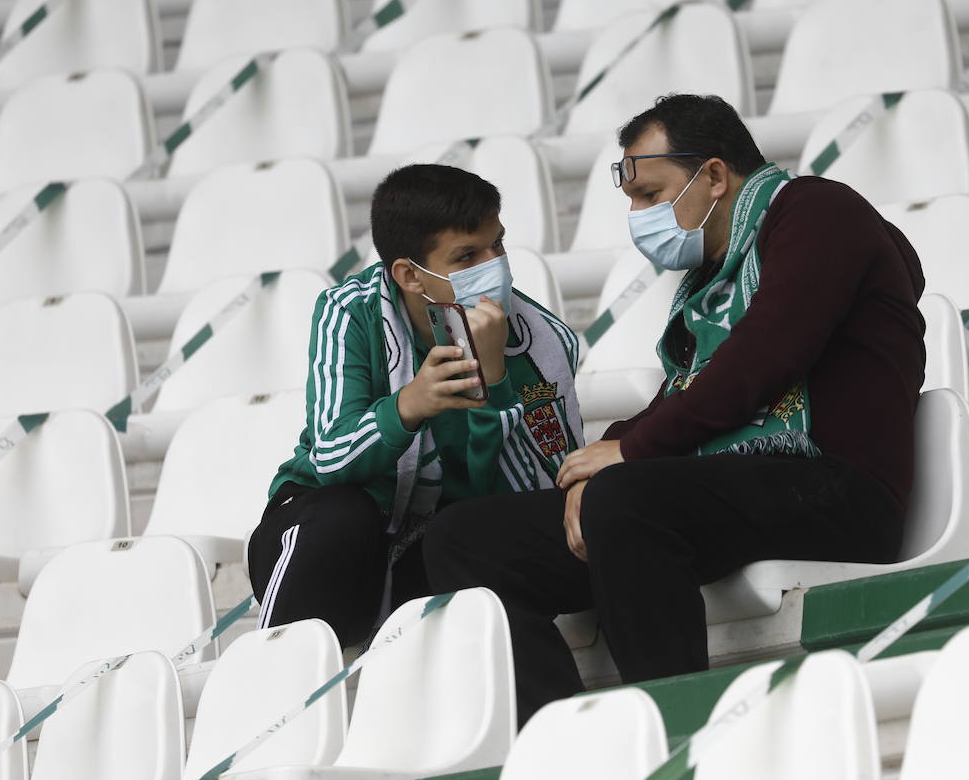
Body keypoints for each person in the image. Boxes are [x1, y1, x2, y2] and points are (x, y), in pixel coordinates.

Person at [423, 93, 927, 723]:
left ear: (714, 175)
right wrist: (603, 462)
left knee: (626, 498)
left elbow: (763, 359)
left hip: (837, 489)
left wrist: (629, 456)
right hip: (728, 494)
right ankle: (568, 742)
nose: (637, 216)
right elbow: (685, 394)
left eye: (650, 195)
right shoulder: (711, 281)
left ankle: (670, 735)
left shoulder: (819, 212)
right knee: (463, 543)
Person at [248, 164, 585, 648]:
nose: (495, 264)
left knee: (468, 537)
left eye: (498, 244)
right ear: (409, 274)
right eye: (468, 255)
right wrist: (408, 406)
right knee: (343, 515)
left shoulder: (540, 340)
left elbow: (537, 494)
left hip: (434, 545)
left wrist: (493, 384)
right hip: (321, 537)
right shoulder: (351, 313)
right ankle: (284, 682)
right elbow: (330, 456)